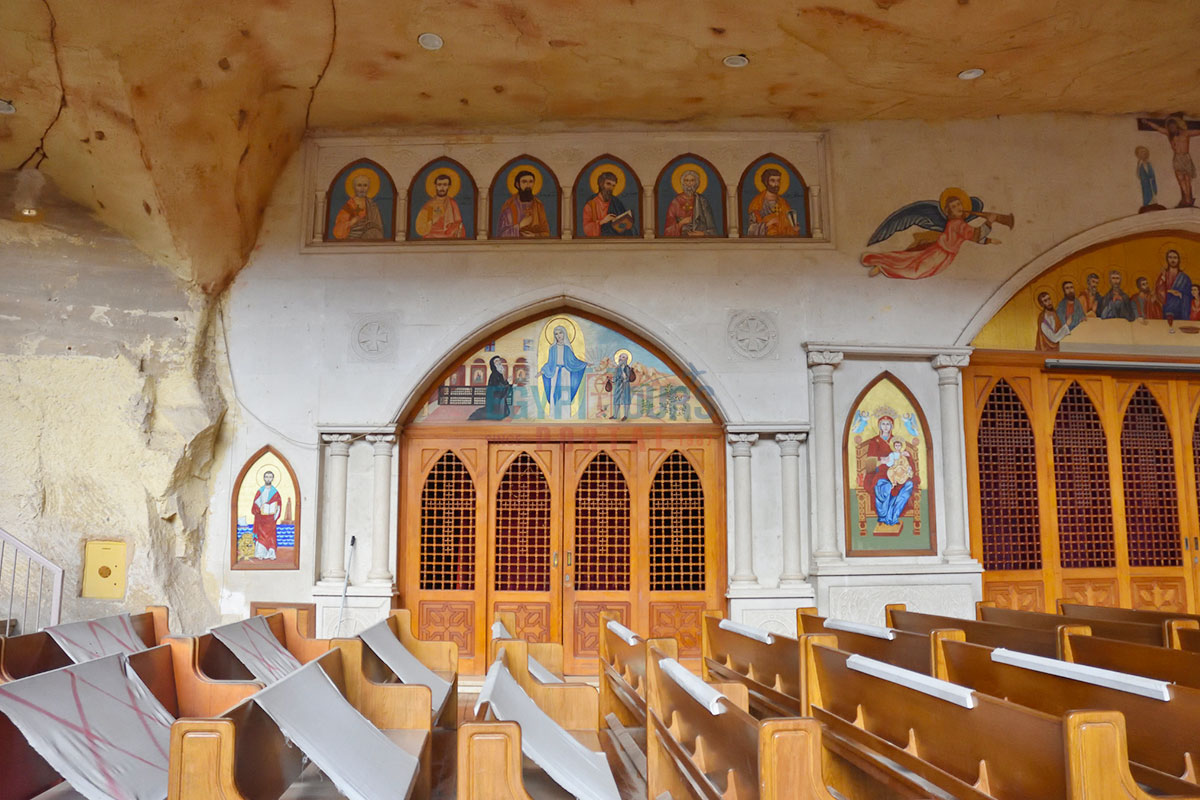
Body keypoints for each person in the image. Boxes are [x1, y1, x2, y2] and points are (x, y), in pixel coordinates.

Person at [862, 192, 1006, 280]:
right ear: (949, 211)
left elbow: (973, 237)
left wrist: (990, 241)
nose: (958, 207)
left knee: (909, 260)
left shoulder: (960, 224)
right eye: (954, 206)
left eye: (959, 204)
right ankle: (883, 268)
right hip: (939, 254)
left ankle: (879, 263)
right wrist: (989, 221)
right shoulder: (957, 224)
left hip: (944, 255)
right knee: (915, 271)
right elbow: (975, 234)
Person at [860, 416, 915, 530]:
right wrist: (882, 461)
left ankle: (893, 516)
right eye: (883, 424)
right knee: (885, 487)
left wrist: (906, 456)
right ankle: (883, 516)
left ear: (892, 426)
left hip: (898, 473)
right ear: (879, 426)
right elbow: (870, 464)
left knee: (909, 485)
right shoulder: (874, 441)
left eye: (888, 424)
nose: (885, 427)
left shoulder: (896, 441)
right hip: (880, 473)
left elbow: (905, 460)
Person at [1141, 115, 1200, 207]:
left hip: (1186, 158)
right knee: (1180, 179)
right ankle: (1186, 198)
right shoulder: (1169, 134)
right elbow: (1158, 128)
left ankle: (1188, 198)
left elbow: (1198, 132)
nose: (1172, 128)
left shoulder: (1186, 133)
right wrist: (1148, 122)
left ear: (1177, 125)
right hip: (1177, 158)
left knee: (1187, 179)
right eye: (1170, 127)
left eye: (1173, 126)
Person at [540, 325, 588, 418]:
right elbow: (550, 363)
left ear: (564, 334)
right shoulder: (552, 348)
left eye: (560, 333)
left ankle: (565, 415)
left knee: (565, 393)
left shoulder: (567, 348)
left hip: (566, 373)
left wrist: (585, 364)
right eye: (556, 334)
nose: (558, 335)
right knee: (553, 392)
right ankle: (553, 414)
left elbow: (574, 361)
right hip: (555, 373)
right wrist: (542, 371)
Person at [745, 168, 798, 237]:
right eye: (772, 181)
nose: (776, 184)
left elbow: (789, 224)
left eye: (778, 181)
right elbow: (750, 230)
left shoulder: (783, 203)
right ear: (766, 182)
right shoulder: (757, 203)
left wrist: (794, 228)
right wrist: (767, 224)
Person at [663, 170, 717, 237]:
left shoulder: (702, 201)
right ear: (683, 183)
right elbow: (668, 231)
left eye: (692, 180)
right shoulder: (675, 202)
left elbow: (712, 230)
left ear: (696, 183)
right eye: (686, 180)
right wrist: (681, 223)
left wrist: (702, 233)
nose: (689, 183)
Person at [497, 170, 550, 238]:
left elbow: (546, 233)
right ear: (517, 184)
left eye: (531, 182)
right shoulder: (509, 206)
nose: (528, 185)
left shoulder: (538, 205)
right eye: (524, 182)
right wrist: (520, 225)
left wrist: (534, 235)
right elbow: (501, 235)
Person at [582, 171, 636, 237]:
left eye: (613, 185)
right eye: (608, 184)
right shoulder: (591, 204)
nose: (611, 188)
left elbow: (624, 223)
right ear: (601, 184)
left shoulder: (616, 202)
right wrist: (603, 221)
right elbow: (586, 229)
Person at [332, 173, 385, 240]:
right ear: (354, 187)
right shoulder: (349, 206)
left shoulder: (372, 205)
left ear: (368, 187)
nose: (362, 189)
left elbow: (379, 227)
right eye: (359, 185)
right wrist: (351, 223)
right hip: (352, 240)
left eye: (365, 185)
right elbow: (337, 231)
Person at [413, 173, 465, 239]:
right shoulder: (430, 205)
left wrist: (457, 230)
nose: (442, 187)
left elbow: (459, 223)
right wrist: (433, 220)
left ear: (449, 186)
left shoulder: (452, 203)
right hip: (431, 238)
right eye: (439, 184)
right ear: (436, 186)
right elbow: (422, 228)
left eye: (445, 185)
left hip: (449, 238)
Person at [1155, 249, 1192, 321]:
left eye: (1175, 257)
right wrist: (1169, 291)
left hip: (1180, 311)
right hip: (1167, 310)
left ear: (1179, 260)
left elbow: (1190, 295)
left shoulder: (1185, 278)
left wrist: (1181, 295)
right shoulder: (1163, 275)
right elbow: (1158, 291)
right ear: (1167, 259)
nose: (1173, 260)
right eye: (1170, 257)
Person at [252, 471, 282, 560]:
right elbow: (254, 505)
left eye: (270, 477)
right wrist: (259, 508)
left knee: (271, 537)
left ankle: (271, 554)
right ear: (264, 478)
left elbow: (279, 504)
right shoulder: (260, 491)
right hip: (261, 519)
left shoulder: (275, 492)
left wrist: (276, 509)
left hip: (271, 519)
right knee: (261, 536)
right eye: (266, 477)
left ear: (272, 479)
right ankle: (260, 554)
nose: (268, 479)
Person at [606, 351, 636, 420]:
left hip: (625, 385)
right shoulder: (617, 368)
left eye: (623, 357)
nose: (620, 359)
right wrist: (611, 380)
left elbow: (629, 377)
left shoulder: (628, 368)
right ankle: (615, 415)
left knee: (626, 400)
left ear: (626, 359)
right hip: (618, 385)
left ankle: (626, 416)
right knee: (616, 399)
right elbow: (615, 378)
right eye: (620, 357)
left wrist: (625, 377)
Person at [1135, 146, 1160, 211]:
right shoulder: (1140, 163)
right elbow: (1138, 174)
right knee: (1146, 193)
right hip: (1145, 183)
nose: (1143, 154)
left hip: (1151, 181)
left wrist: (1151, 177)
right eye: (1141, 153)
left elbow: (1152, 171)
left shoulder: (1149, 162)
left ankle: (1153, 203)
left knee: (1152, 192)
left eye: (1144, 152)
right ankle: (1148, 203)